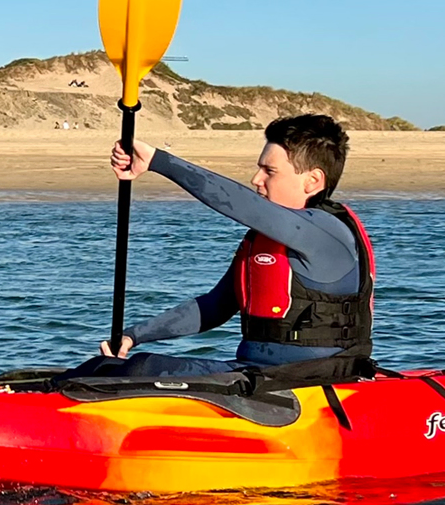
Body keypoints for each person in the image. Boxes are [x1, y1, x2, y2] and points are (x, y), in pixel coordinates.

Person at [88, 113, 373, 379]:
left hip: (307, 379)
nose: (256, 180)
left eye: (269, 171)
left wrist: (157, 161)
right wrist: (134, 336)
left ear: (313, 181)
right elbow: (216, 306)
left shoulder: (327, 233)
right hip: (256, 376)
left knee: (139, 369)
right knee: (115, 367)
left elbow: (240, 204)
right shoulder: (268, 238)